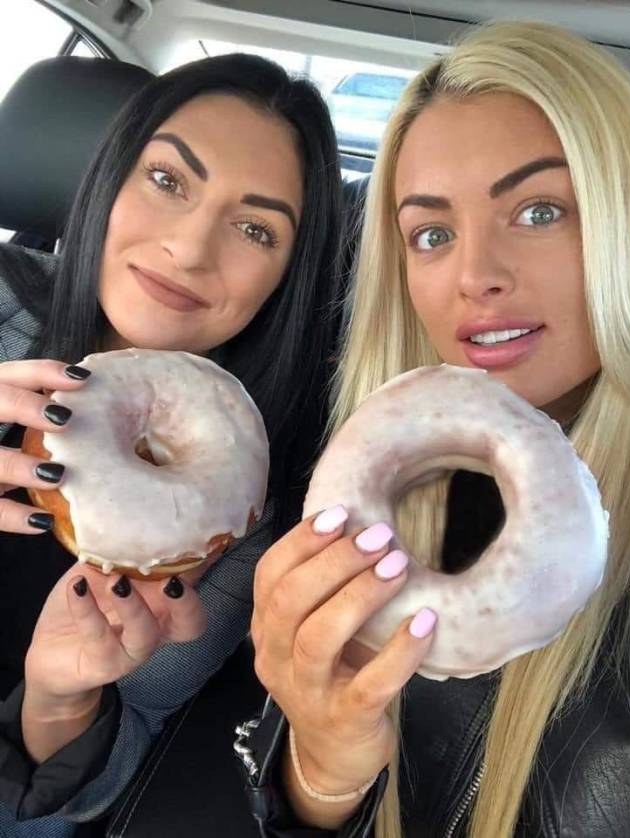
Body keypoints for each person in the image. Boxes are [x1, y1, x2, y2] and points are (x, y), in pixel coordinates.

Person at [246, 20, 630, 837]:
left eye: (540, 211)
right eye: (432, 235)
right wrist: (324, 770)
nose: (476, 276)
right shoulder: (370, 496)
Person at [0, 51, 342, 835]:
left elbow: (95, 788)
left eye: (255, 228)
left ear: (286, 276)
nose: (190, 248)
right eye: (167, 179)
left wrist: (60, 700)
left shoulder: (244, 517)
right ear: (109, 178)